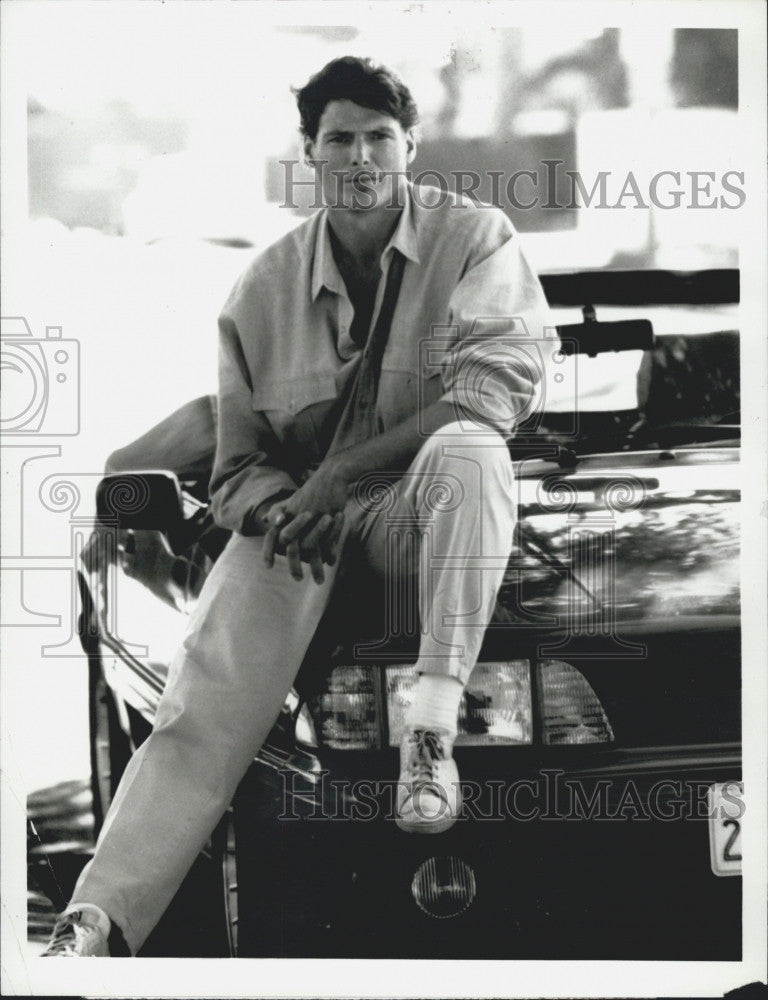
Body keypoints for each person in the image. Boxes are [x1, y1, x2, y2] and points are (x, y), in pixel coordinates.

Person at [43, 55, 551, 958]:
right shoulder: (260, 289)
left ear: (411, 145)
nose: (362, 157)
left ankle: (430, 739)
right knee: (204, 691)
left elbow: (491, 395)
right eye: (340, 140)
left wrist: (342, 474)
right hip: (303, 533)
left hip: (416, 521)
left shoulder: (476, 238)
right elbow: (236, 464)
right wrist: (286, 505)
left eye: (380, 138)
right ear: (310, 154)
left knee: (473, 454)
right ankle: (97, 922)